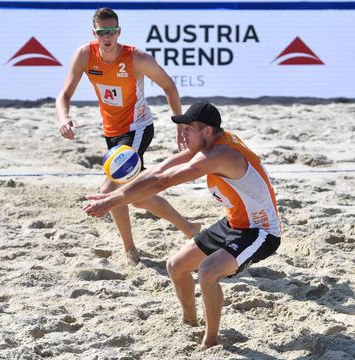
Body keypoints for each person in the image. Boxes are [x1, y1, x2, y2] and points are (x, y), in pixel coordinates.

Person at [83, 101, 281, 348]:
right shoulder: (212, 143)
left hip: (260, 231)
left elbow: (163, 181)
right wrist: (113, 195)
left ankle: (211, 342)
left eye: (188, 128)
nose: (183, 134)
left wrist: (111, 201)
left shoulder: (221, 155)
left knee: (208, 271)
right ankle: (190, 323)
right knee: (176, 266)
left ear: (207, 130)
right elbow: (159, 169)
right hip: (234, 223)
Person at [56, 8, 198, 264]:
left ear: (119, 32)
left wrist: (179, 123)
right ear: (94, 34)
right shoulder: (85, 55)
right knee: (138, 196)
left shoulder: (136, 58)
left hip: (138, 128)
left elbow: (169, 86)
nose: (107, 36)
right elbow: (63, 96)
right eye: (102, 32)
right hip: (111, 131)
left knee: (109, 188)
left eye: (111, 31)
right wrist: (63, 118)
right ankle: (189, 228)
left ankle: (130, 250)